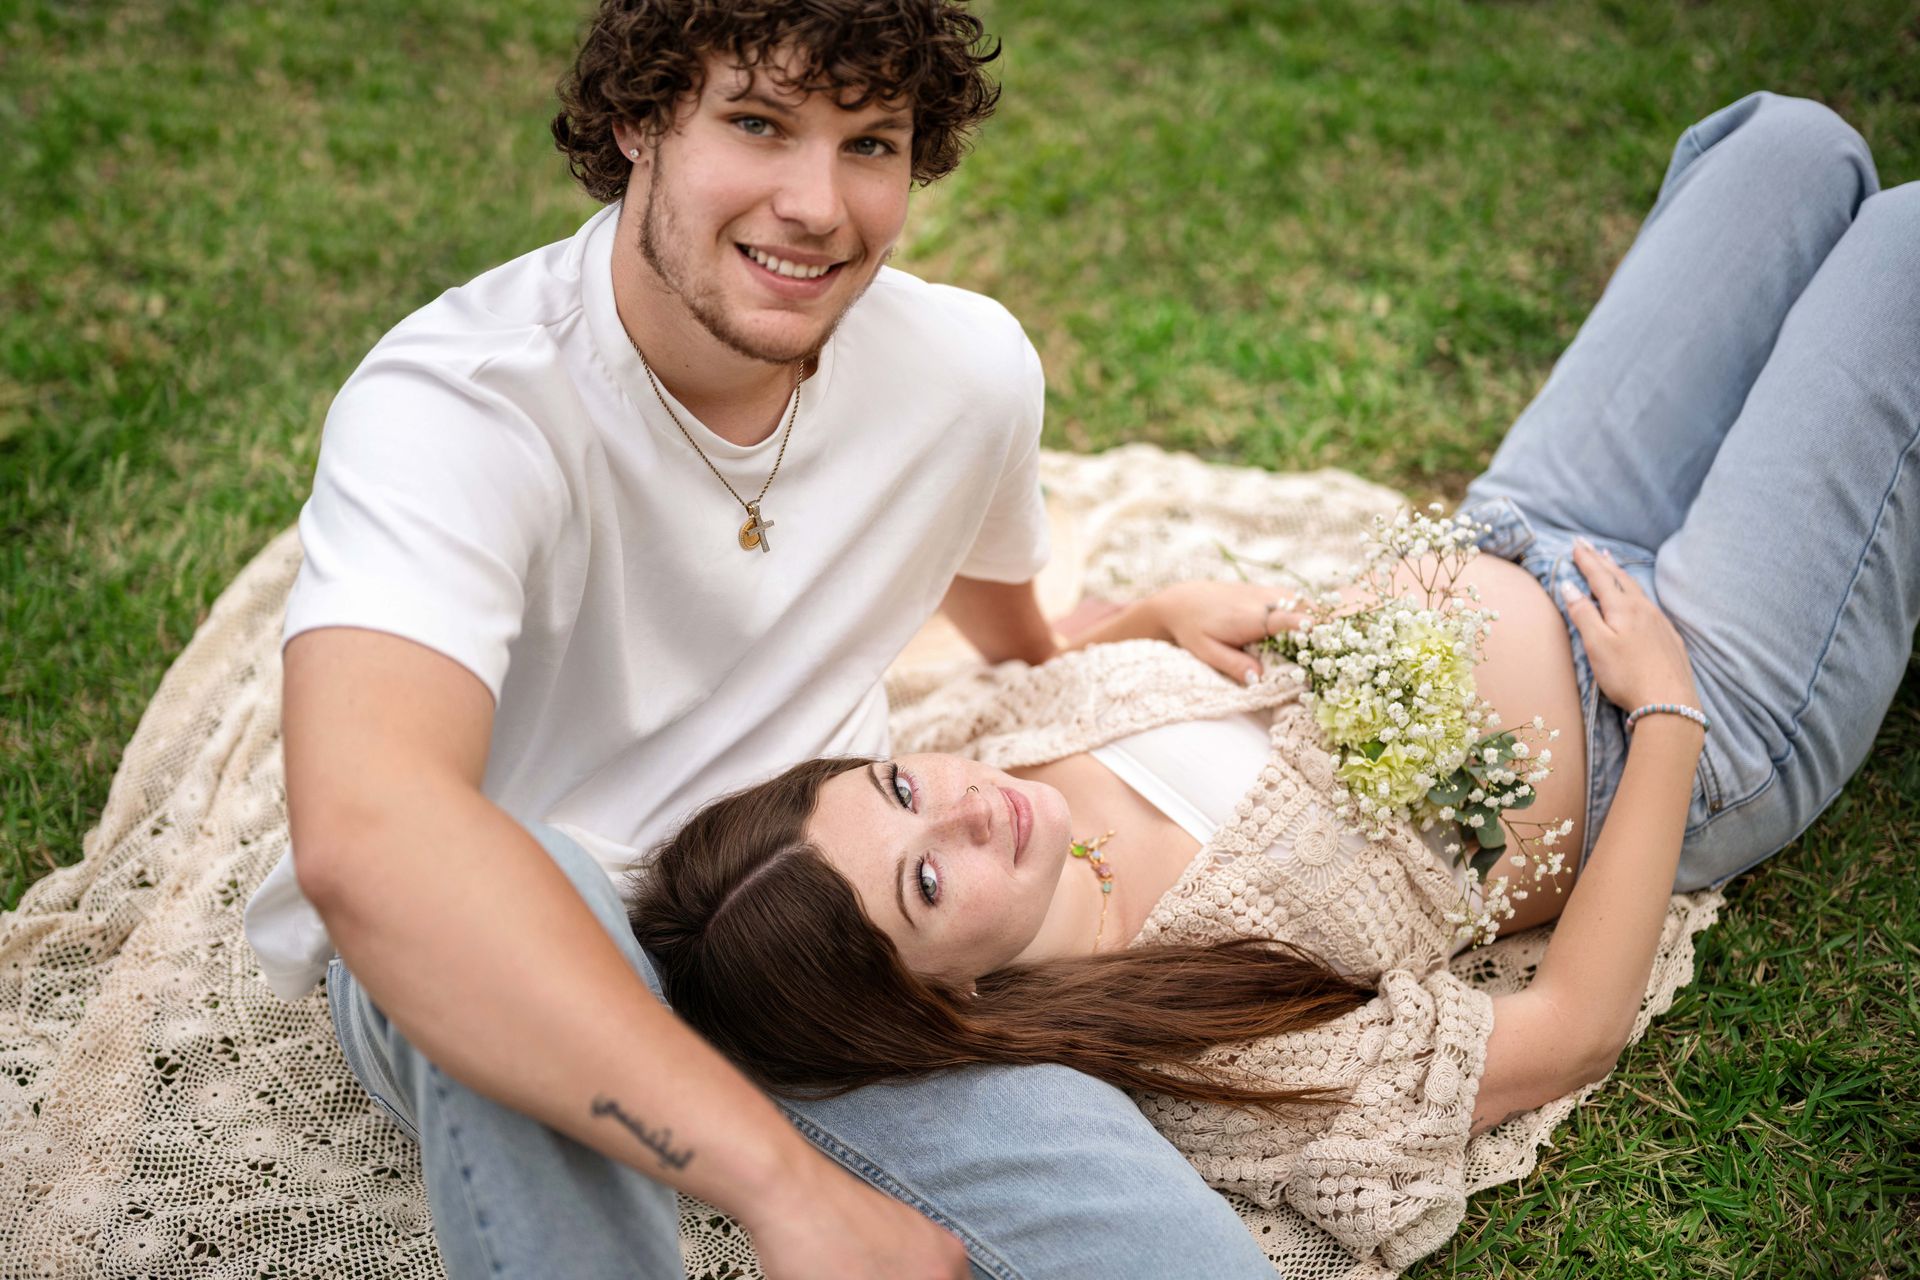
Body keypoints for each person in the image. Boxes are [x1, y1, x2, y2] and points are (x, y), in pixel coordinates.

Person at [627, 90, 1920, 1273]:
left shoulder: (987, 751)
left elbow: (1054, 658)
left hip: (1526, 529)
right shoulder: (1194, 1039)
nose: (963, 805)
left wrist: (1153, 614)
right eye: (925, 880)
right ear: (932, 1002)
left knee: (1785, 147)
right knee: (1905, 254)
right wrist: (1671, 712)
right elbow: (1572, 1027)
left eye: (898, 785)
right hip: (1690, 706)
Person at [242, 2, 1303, 1277]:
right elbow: (374, 836)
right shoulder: (459, 409)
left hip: (835, 939)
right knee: (537, 876)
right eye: (757, 123)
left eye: (870, 143)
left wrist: (1134, 622)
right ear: (638, 120)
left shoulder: (965, 373)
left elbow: (1012, 629)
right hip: (512, 922)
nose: (817, 203)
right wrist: (782, 1184)